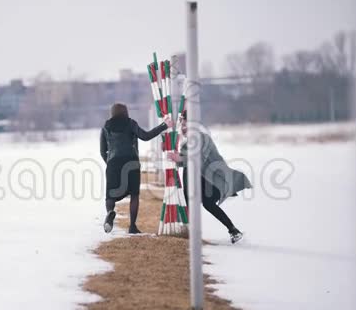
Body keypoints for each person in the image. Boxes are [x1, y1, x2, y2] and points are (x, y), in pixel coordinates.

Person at [168, 111, 251, 244]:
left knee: (206, 203)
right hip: (200, 180)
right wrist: (173, 156)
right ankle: (190, 232)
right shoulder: (186, 144)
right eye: (182, 125)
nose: (183, 128)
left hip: (213, 180)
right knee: (191, 200)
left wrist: (180, 158)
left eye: (185, 125)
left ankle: (233, 230)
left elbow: (198, 160)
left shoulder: (203, 138)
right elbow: (183, 161)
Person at [100, 103, 172, 234]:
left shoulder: (106, 126)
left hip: (113, 163)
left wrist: (110, 163)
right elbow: (145, 136)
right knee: (134, 194)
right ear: (125, 112)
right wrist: (164, 125)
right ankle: (132, 226)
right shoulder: (130, 123)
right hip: (131, 162)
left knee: (110, 195)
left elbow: (102, 150)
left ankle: (110, 212)